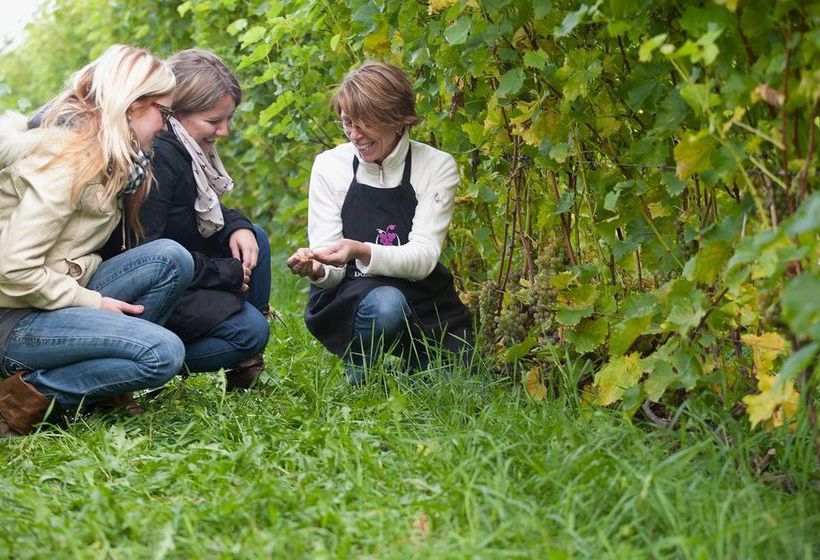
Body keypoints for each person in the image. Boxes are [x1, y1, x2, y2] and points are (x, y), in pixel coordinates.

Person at [0, 45, 194, 436]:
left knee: (170, 259)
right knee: (162, 354)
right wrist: (94, 302)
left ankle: (103, 387)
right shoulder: (64, 159)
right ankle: (24, 398)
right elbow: (12, 269)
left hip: (51, 295)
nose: (165, 125)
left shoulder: (113, 158)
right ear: (132, 104)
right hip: (12, 316)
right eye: (163, 111)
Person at [287, 61, 473, 385]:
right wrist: (316, 269)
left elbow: (424, 258)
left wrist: (359, 249)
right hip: (354, 294)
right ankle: (362, 376)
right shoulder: (330, 167)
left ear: (397, 119)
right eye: (347, 123)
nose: (355, 136)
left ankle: (415, 363)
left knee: (456, 383)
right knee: (387, 305)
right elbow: (332, 273)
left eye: (365, 124)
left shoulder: (436, 166)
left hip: (424, 295)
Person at [103, 49, 271, 390]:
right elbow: (151, 250)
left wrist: (236, 224)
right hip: (153, 283)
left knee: (256, 238)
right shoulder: (161, 155)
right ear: (175, 113)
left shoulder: (189, 151)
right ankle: (140, 363)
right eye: (214, 121)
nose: (223, 131)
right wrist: (225, 274)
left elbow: (196, 209)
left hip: (182, 262)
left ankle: (245, 363)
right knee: (250, 331)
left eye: (228, 119)